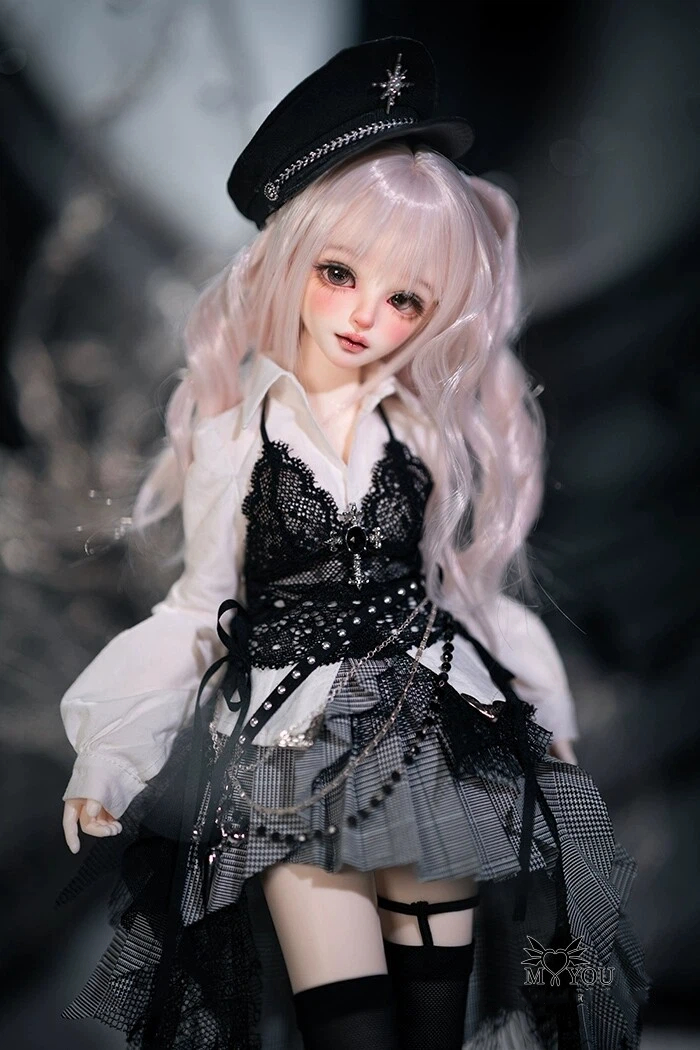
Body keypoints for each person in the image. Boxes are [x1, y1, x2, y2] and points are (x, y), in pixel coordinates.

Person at [58, 36, 649, 1050]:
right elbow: (197, 610)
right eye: (340, 273)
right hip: (289, 754)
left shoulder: (416, 433)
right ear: (292, 257)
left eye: (406, 298)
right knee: (346, 1025)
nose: (368, 316)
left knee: (432, 1019)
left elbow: (459, 596)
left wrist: (542, 711)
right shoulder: (235, 437)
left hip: (435, 746)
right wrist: (108, 758)